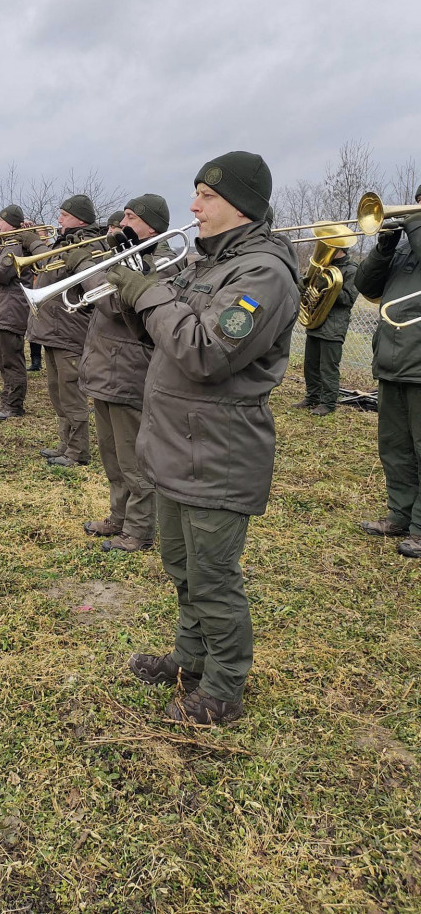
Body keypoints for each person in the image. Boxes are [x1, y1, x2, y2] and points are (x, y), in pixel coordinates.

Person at [108, 152, 299, 725]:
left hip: (217, 452)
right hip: (176, 445)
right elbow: (166, 334)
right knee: (181, 566)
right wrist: (134, 288)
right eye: (194, 193)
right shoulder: (206, 264)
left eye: (206, 196)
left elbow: (205, 352)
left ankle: (223, 688)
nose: (192, 206)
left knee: (214, 580)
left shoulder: (261, 275)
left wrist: (149, 293)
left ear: (239, 205)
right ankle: (190, 659)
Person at [79, 194, 182, 550]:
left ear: (150, 225)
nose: (121, 223)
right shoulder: (128, 256)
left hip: (130, 370)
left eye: (129, 217)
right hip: (107, 368)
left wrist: (91, 278)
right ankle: (118, 517)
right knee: (111, 454)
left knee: (134, 459)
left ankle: (138, 530)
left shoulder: (164, 262)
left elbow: (111, 302)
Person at [355, 193, 421, 559]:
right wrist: (384, 247)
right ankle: (400, 514)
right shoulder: (405, 250)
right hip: (393, 365)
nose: (415, 209)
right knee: (395, 448)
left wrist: (413, 226)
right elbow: (366, 287)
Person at [27, 194, 102, 467]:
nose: (59, 218)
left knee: (71, 392)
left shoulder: (89, 245)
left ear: (80, 218)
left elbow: (87, 284)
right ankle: (64, 444)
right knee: (57, 391)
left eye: (64, 215)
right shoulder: (66, 241)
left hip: (70, 329)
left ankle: (78, 451)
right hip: (53, 329)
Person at [0, 206, 46, 420]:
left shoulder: (16, 245)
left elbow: (1, 274)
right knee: (4, 360)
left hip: (9, 309)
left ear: (9, 222)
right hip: (2, 309)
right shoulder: (8, 243)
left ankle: (14, 406)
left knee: (11, 360)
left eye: (1, 221)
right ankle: (6, 402)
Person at [295, 242, 359, 416]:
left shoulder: (352, 270)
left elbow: (348, 299)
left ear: (339, 250)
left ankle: (328, 403)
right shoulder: (325, 267)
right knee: (310, 364)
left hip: (333, 326)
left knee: (328, 367)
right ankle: (312, 397)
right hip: (316, 322)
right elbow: (310, 291)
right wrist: (304, 286)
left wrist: (328, 286)